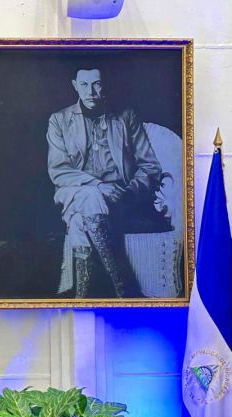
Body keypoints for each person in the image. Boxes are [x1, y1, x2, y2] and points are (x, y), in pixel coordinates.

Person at [46, 67, 166, 298]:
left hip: (118, 198)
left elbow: (150, 167)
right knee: (91, 195)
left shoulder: (125, 117)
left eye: (96, 84)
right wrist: (98, 186)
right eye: (84, 85)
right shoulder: (59, 120)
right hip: (74, 190)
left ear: (105, 85)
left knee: (79, 221)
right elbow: (58, 171)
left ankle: (82, 297)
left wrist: (127, 192)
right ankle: (124, 286)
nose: (90, 92)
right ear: (75, 86)